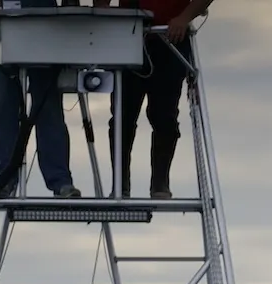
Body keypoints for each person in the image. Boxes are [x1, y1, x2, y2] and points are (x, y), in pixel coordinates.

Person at [92, 0, 216, 198]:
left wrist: (184, 18)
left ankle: (160, 182)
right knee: (122, 117)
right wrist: (102, 8)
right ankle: (120, 185)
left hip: (171, 39)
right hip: (128, 38)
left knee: (164, 116)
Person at [0, 0, 81, 198]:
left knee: (48, 108)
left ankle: (59, 180)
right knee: (4, 106)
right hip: (8, 24)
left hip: (44, 24)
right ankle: (3, 180)